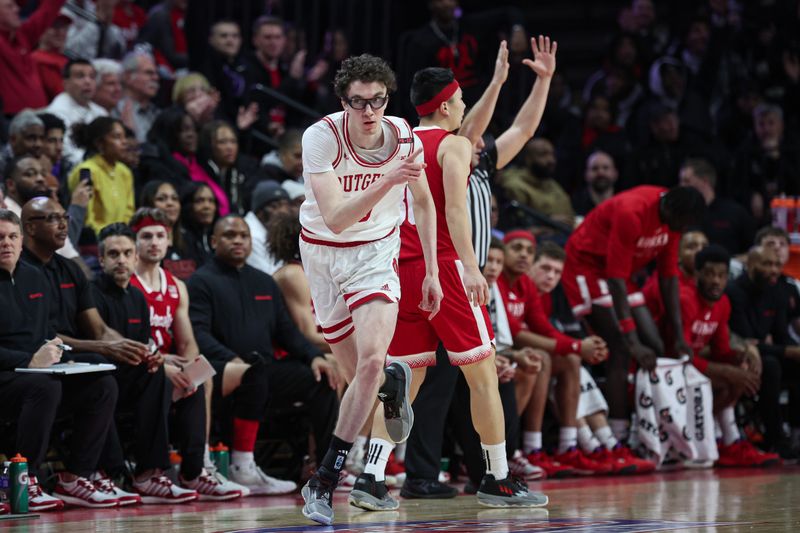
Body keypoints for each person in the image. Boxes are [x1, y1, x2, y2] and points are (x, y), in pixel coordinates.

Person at [352, 63, 552, 513]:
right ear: (446, 105)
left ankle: (371, 476)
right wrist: (469, 267)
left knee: (403, 382)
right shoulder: (454, 145)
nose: (464, 106)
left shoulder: (397, 144)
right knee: (483, 376)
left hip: (400, 269)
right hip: (442, 266)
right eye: (461, 99)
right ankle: (498, 477)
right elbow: (456, 213)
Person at [297, 54, 441, 525]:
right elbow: (336, 217)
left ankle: (324, 481)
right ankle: (390, 384)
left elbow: (423, 203)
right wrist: (387, 179)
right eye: (357, 102)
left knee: (373, 361)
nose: (368, 111)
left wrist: (435, 271)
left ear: (387, 98)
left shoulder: (403, 136)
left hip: (375, 254)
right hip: (323, 254)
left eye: (377, 100)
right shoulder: (321, 137)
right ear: (344, 102)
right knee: (358, 377)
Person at [188, 215, 336, 495]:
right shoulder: (200, 281)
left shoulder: (264, 282)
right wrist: (231, 358)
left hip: (265, 370)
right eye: (230, 235)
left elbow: (287, 332)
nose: (238, 241)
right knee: (254, 372)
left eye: (243, 236)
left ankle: (326, 466)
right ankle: (242, 467)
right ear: (213, 241)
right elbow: (199, 334)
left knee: (323, 376)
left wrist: (312, 356)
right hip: (224, 368)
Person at [561, 185, 705, 446]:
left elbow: (669, 277)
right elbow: (615, 281)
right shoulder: (632, 212)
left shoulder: (674, 219)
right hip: (587, 266)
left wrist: (680, 335)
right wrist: (631, 339)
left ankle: (646, 427)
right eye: (681, 224)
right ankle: (618, 434)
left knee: (656, 345)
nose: (681, 230)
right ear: (670, 210)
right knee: (621, 346)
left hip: (619, 272)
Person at [0, 207, 119, 510]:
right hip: (8, 376)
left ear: (22, 238)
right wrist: (29, 360)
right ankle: (25, 479)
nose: (7, 243)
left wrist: (57, 353)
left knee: (101, 383)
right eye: (0, 237)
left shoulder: (35, 277)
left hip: (34, 374)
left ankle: (76, 476)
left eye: (13, 236)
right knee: (45, 387)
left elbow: (44, 333)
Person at [127, 209, 247, 500]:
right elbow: (127, 340)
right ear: (135, 242)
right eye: (146, 237)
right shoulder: (128, 282)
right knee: (164, 380)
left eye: (160, 236)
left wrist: (191, 369)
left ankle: (197, 469)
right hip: (141, 364)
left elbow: (188, 342)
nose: (154, 242)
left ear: (169, 241)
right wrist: (166, 365)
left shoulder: (176, 285)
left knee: (202, 377)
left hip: (168, 363)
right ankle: (152, 471)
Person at [648, 244, 778, 467]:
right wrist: (729, 371)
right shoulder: (685, 299)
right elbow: (681, 355)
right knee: (730, 379)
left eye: (721, 275)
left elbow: (721, 351)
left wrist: (742, 356)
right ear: (697, 274)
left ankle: (724, 440)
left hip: (692, 370)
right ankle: (718, 438)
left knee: (740, 374)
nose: (716, 281)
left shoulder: (723, 303)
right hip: (667, 369)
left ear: (728, 277)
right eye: (709, 274)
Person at [92, 222, 191, 505]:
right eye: (113, 254)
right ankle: (110, 473)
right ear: (101, 260)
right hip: (105, 375)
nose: (121, 260)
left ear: (135, 258)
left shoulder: (137, 296)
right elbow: (99, 342)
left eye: (126, 253)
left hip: (130, 378)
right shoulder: (93, 292)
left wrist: (153, 356)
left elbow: (144, 341)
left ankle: (153, 472)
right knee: (105, 383)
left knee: (161, 373)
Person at [727, 245, 800, 458]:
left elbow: (780, 334)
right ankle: (775, 437)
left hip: (765, 352)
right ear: (750, 264)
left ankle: (796, 433)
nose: (774, 270)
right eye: (767, 264)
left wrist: (794, 351)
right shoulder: (734, 291)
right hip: (739, 355)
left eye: (777, 265)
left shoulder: (776, 292)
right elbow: (745, 339)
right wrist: (788, 351)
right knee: (770, 365)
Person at [68, 117, 135, 234]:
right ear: (99, 143)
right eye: (117, 137)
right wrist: (109, 236)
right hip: (93, 242)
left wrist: (123, 234)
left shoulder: (124, 172)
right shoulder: (87, 171)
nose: (124, 142)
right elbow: (87, 219)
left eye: (124, 137)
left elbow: (129, 211)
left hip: (122, 238)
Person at [0, 0, 67, 115]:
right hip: (10, 117)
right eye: (9, 7)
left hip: (39, 114)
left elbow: (48, 10)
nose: (17, 9)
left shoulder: (23, 36)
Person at [678, 158, 755, 255]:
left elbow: (752, 251)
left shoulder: (735, 213)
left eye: (686, 181)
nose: (681, 186)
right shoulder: (680, 216)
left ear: (705, 181)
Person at [46, 58, 108, 165]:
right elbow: (66, 152)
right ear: (65, 83)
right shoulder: (57, 112)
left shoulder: (101, 112)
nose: (88, 81)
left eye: (92, 77)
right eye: (80, 76)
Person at [138, 180, 196, 279]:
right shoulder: (141, 243)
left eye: (174, 198)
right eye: (161, 199)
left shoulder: (189, 239)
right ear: (148, 204)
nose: (170, 203)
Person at [244, 181, 291, 276]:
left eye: (285, 205)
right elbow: (269, 276)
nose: (282, 211)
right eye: (274, 206)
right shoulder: (250, 234)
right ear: (259, 211)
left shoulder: (277, 229)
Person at [116, 49, 161, 143]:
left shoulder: (158, 113)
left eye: (156, 73)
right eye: (149, 73)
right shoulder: (115, 110)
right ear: (128, 77)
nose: (156, 78)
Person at [571, 151, 619, 217]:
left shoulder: (623, 204)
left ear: (615, 173)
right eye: (595, 168)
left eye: (605, 168)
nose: (600, 172)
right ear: (586, 174)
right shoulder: (573, 205)